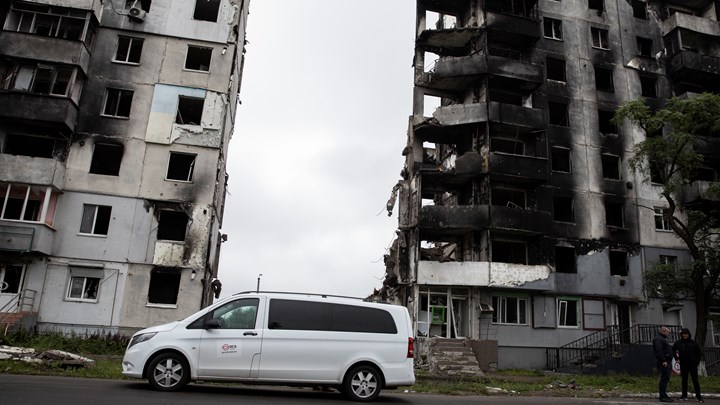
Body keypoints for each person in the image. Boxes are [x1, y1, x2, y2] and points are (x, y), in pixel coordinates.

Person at [672, 328, 704, 402]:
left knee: (695, 380)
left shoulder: (693, 343)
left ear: (689, 334)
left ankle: (698, 396)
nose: (685, 335)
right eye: (683, 334)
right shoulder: (678, 343)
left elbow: (699, 353)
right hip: (683, 364)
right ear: (681, 335)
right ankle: (684, 396)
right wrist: (677, 358)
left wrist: (696, 362)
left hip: (693, 365)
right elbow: (673, 350)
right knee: (684, 380)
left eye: (686, 334)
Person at [653, 325, 674, 402]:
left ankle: (664, 395)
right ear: (663, 331)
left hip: (666, 361)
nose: (668, 333)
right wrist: (663, 360)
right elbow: (659, 350)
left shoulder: (662, 338)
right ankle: (662, 396)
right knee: (664, 379)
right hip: (664, 362)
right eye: (668, 331)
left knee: (666, 379)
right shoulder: (659, 339)